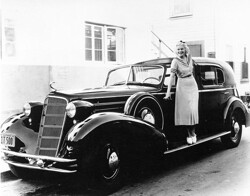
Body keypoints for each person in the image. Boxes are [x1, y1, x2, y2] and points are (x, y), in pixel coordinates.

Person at [164, 41, 199, 145]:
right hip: (182, 85)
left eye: (182, 49)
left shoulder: (189, 58)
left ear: (185, 50)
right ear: (176, 51)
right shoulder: (175, 61)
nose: (180, 51)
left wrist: (184, 44)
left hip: (192, 84)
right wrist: (168, 92)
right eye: (178, 49)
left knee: (193, 110)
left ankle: (194, 133)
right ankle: (189, 134)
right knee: (186, 112)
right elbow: (171, 77)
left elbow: (192, 68)